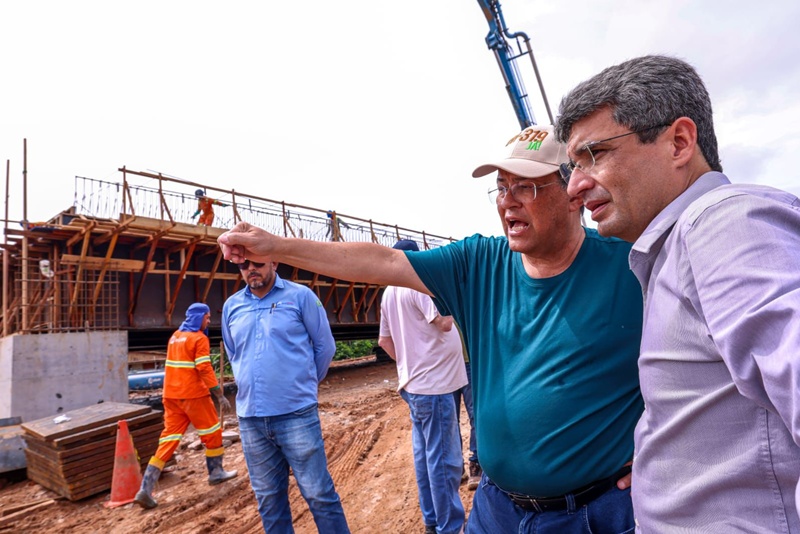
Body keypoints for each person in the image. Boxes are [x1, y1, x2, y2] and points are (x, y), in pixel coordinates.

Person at [217, 124, 644, 533]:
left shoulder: (630, 268)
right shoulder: (481, 263)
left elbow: (697, 367)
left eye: (526, 186)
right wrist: (274, 246)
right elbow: (383, 262)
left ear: (572, 194)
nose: (508, 202)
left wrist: (663, 449)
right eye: (501, 187)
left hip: (593, 514)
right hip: (497, 511)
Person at [555, 54, 800, 532]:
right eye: (571, 167)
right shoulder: (673, 249)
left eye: (595, 154)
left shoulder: (724, 224)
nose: (575, 187)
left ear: (679, 142)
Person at [220, 257, 350, 533]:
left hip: (296, 415)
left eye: (256, 262)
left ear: (274, 261)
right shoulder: (232, 306)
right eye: (243, 265)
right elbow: (234, 354)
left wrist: (301, 384)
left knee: (319, 496)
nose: (250, 269)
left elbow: (325, 347)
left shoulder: (300, 296)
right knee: (268, 500)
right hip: (251, 420)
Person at [378, 239, 467, 534]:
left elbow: (385, 341)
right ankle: (449, 527)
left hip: (416, 386)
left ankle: (432, 520)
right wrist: (459, 303)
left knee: (425, 458)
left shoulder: (389, 291)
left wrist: (410, 361)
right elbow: (442, 322)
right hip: (435, 386)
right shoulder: (418, 283)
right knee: (445, 462)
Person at [134, 302, 237, 510]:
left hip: (171, 396)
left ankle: (145, 488)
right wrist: (219, 394)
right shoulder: (199, 338)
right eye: (207, 317)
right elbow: (204, 368)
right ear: (199, 317)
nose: (209, 321)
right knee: (213, 433)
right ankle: (216, 473)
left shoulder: (175, 337)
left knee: (169, 439)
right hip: (194, 396)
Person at [452, 344, 480, 491]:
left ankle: (475, 463)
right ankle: (456, 466)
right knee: (450, 420)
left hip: (468, 360)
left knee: (475, 415)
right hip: (444, 362)